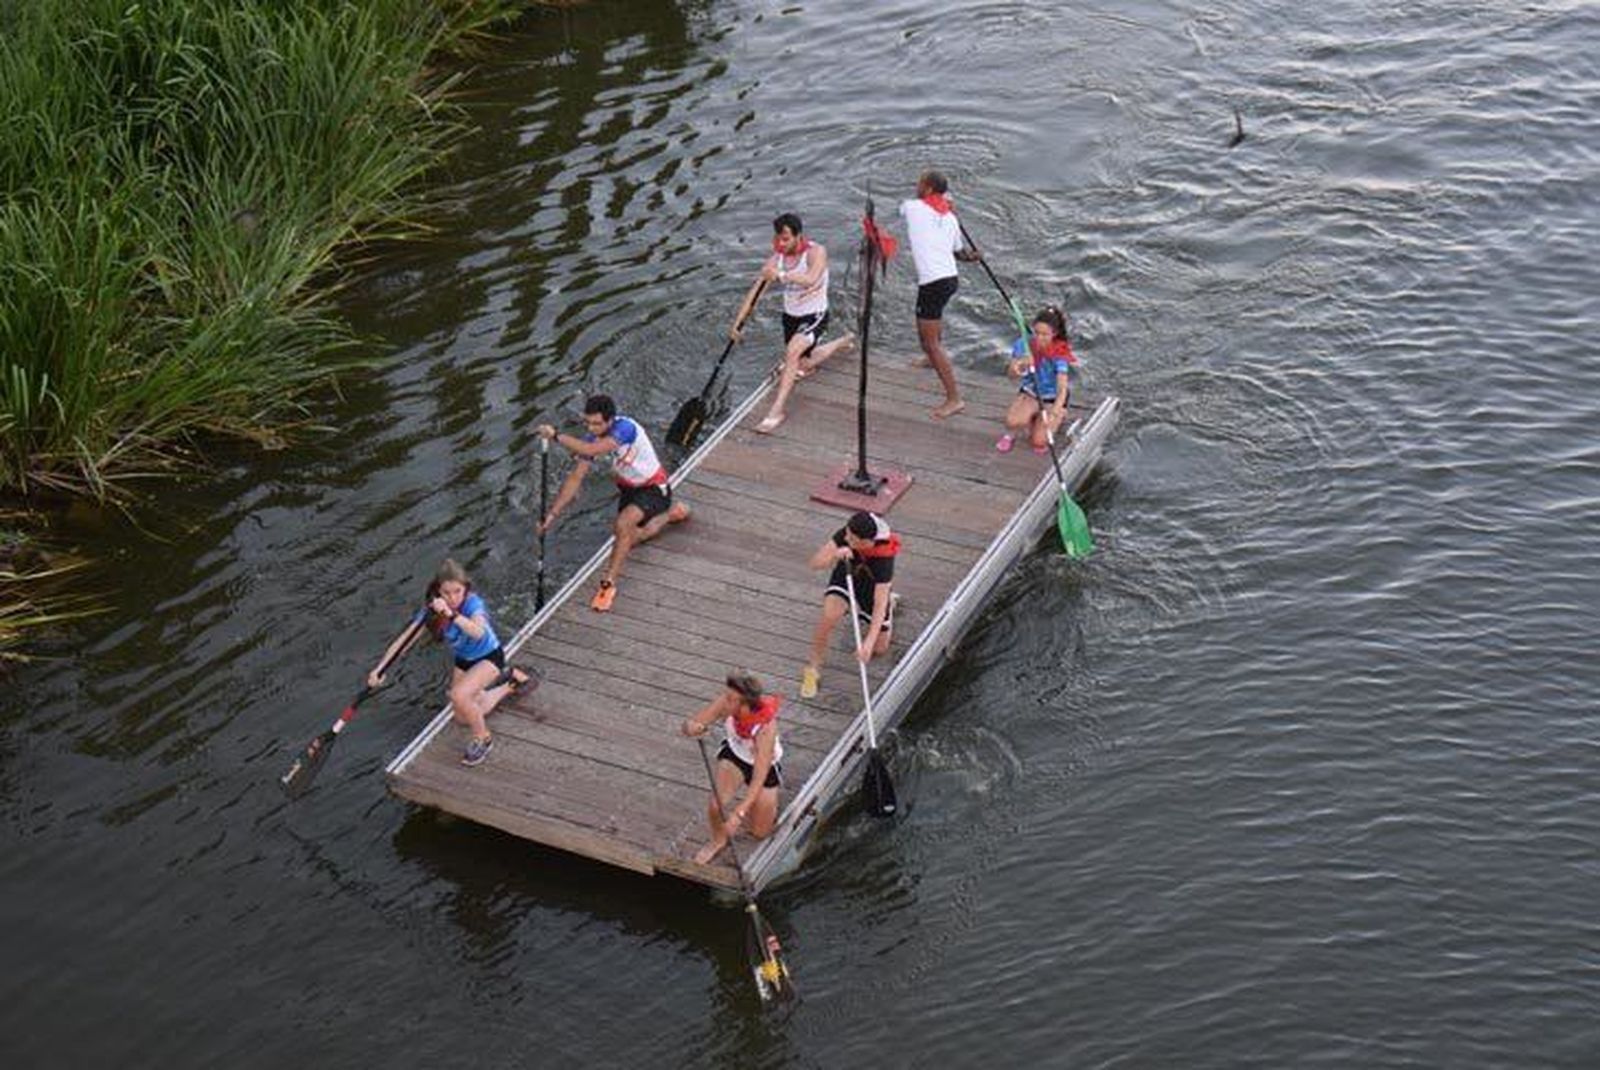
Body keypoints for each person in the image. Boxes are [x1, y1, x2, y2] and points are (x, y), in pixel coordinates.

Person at [368, 559, 529, 767]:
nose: (453, 598)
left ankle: (484, 739)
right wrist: (380, 669)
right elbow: (403, 643)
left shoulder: (473, 604)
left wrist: (451, 615)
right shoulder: (431, 612)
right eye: (446, 593)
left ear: (465, 589)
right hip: (464, 661)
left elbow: (478, 632)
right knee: (463, 716)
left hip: (489, 656)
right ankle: (510, 683)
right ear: (438, 592)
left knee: (458, 695)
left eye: (457, 591)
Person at [537, 393, 690, 612]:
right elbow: (575, 479)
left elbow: (590, 450)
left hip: (654, 488)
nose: (591, 429)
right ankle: (668, 516)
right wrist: (551, 516)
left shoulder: (625, 428)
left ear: (611, 420)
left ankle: (608, 584)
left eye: (597, 424)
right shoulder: (592, 437)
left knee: (622, 525)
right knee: (630, 538)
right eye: (588, 423)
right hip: (629, 491)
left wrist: (555, 436)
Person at [729, 212, 856, 433]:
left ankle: (776, 410)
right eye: (778, 238)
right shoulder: (775, 259)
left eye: (786, 239)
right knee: (802, 364)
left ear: (799, 236)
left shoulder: (816, 252)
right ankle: (843, 341)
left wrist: (780, 275)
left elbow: (811, 279)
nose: (781, 244)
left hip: (815, 315)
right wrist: (737, 324)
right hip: (790, 317)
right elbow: (755, 294)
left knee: (792, 352)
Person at [899, 169, 980, 419]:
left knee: (930, 341)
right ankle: (929, 357)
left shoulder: (912, 208)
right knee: (927, 331)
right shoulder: (951, 219)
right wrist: (973, 256)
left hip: (934, 283)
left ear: (929, 189)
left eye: (920, 183)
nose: (916, 186)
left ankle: (954, 399)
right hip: (948, 279)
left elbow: (903, 208)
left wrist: (943, 205)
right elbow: (959, 252)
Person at [682, 671, 784, 865]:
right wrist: (691, 728)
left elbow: (758, 777)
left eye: (731, 699)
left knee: (760, 831)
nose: (724, 701)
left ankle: (760, 811)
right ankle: (718, 840)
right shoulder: (726, 702)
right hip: (735, 756)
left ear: (745, 705)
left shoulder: (765, 729)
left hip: (763, 768)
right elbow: (694, 722)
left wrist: (739, 813)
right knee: (716, 804)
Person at [799, 511, 900, 699]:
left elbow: (879, 604)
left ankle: (891, 603)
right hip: (847, 575)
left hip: (872, 588)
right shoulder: (847, 533)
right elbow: (815, 563)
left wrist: (868, 644)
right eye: (847, 534)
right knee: (829, 616)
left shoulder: (884, 559)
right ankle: (812, 669)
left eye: (852, 539)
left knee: (879, 648)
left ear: (866, 542)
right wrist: (834, 556)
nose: (846, 538)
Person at [996, 305, 1079, 454]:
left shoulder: (1060, 353)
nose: (1039, 338)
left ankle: (1057, 416)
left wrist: (1054, 411)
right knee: (1012, 422)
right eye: (1037, 333)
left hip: (1052, 397)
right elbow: (1011, 376)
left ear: (1055, 333)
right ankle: (1014, 432)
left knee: (1039, 442)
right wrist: (1019, 366)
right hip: (1031, 392)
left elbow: (1062, 388)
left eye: (1045, 334)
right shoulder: (1023, 345)